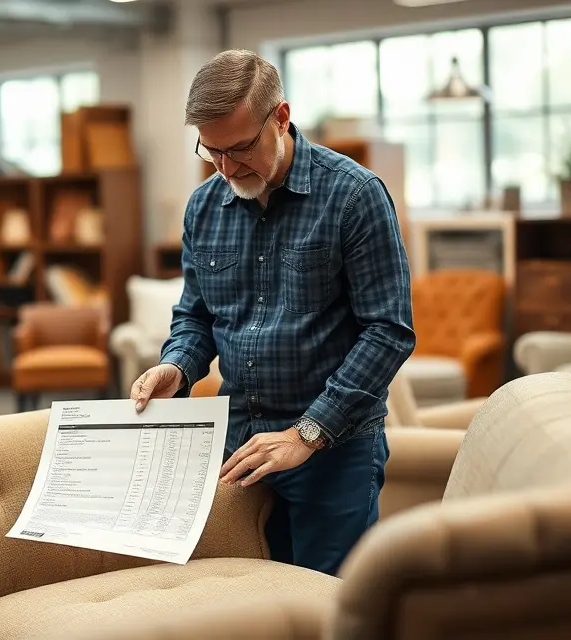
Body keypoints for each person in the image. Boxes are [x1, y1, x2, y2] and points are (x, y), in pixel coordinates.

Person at [130, 50, 415, 576]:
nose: (226, 168)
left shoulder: (355, 196)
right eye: (211, 150)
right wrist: (177, 365)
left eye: (241, 148)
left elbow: (388, 332)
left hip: (333, 451)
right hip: (239, 448)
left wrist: (305, 434)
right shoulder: (204, 207)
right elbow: (196, 316)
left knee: (326, 605)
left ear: (281, 117)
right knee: (248, 603)